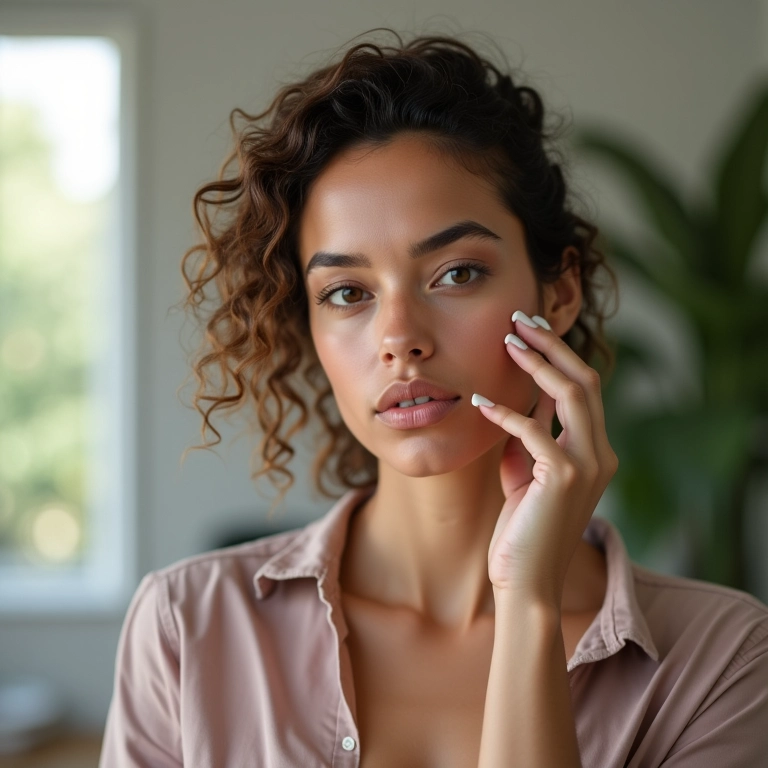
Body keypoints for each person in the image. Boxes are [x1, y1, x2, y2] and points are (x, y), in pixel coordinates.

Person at [99, 30, 768, 768]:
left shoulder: (721, 659)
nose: (400, 338)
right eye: (347, 293)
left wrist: (528, 602)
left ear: (561, 290)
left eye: (456, 274)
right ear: (312, 329)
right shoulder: (187, 629)